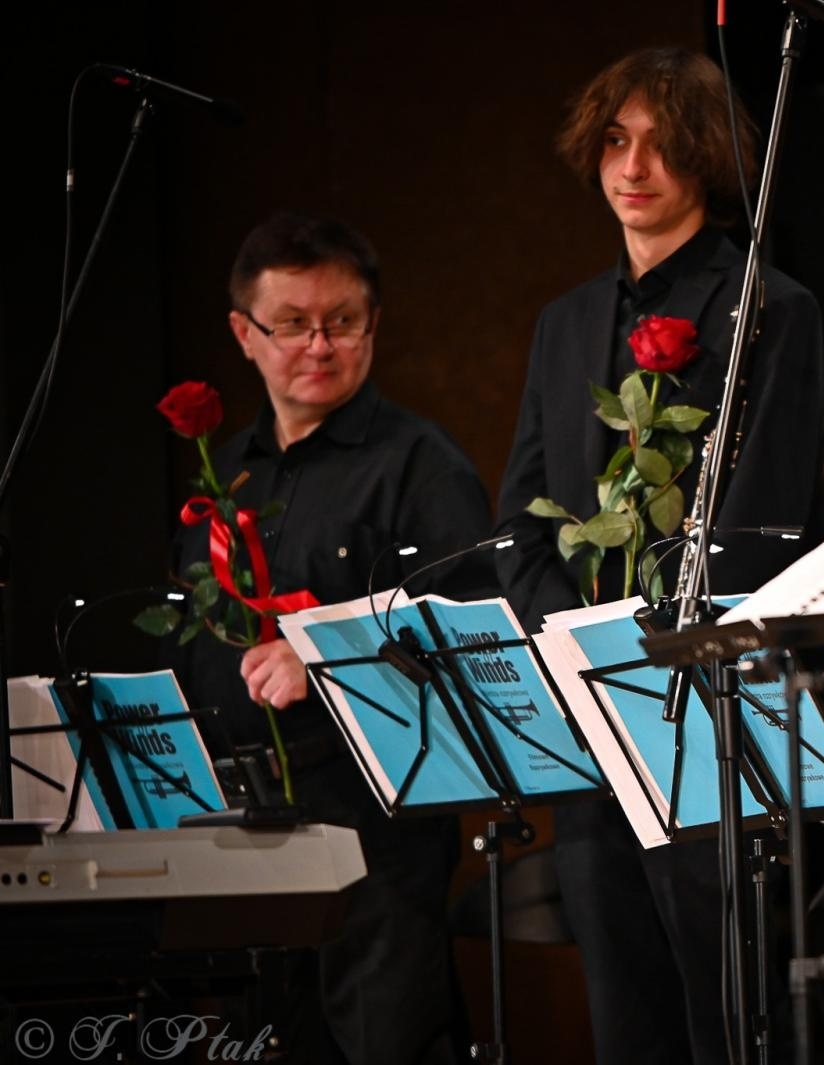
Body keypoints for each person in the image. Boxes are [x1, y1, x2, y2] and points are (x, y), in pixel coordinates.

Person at [493, 48, 824, 1065]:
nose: (632, 167)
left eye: (662, 146)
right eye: (615, 142)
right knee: (624, 1011)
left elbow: (772, 520)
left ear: (708, 160)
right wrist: (575, 640)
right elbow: (523, 519)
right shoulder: (567, 321)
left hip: (708, 713)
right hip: (595, 708)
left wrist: (663, 648)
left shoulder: (770, 306)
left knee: (726, 1011)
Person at [171, 212, 494, 1064]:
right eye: (291, 325)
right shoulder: (228, 472)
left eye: (342, 322)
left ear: (372, 325)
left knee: (383, 1041)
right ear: (244, 335)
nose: (319, 345)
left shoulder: (422, 465)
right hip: (241, 825)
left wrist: (324, 653)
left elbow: (467, 632)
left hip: (376, 826)